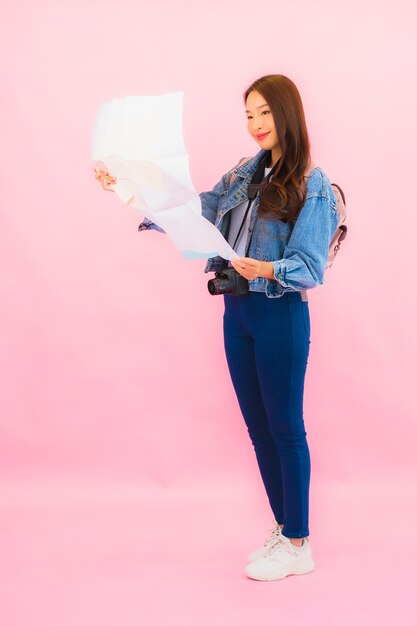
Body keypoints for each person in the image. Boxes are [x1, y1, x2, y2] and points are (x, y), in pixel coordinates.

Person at [94, 74, 339, 582]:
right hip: (238, 313)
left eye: (265, 112)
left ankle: (299, 543)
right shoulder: (242, 175)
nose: (255, 124)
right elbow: (195, 214)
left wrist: (266, 269)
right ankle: (284, 527)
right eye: (249, 114)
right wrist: (130, 193)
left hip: (278, 313)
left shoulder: (311, 183)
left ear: (287, 113)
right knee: (259, 431)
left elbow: (311, 266)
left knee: (286, 429)